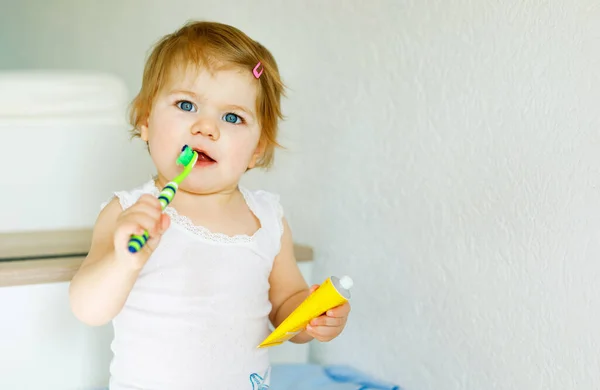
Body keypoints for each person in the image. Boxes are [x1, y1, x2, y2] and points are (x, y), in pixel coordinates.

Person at [68, 20, 351, 389]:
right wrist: (123, 260)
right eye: (186, 104)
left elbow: (287, 309)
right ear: (146, 122)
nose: (206, 127)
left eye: (232, 117)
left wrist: (314, 316)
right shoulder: (130, 213)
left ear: (257, 150)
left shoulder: (267, 220)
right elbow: (88, 309)